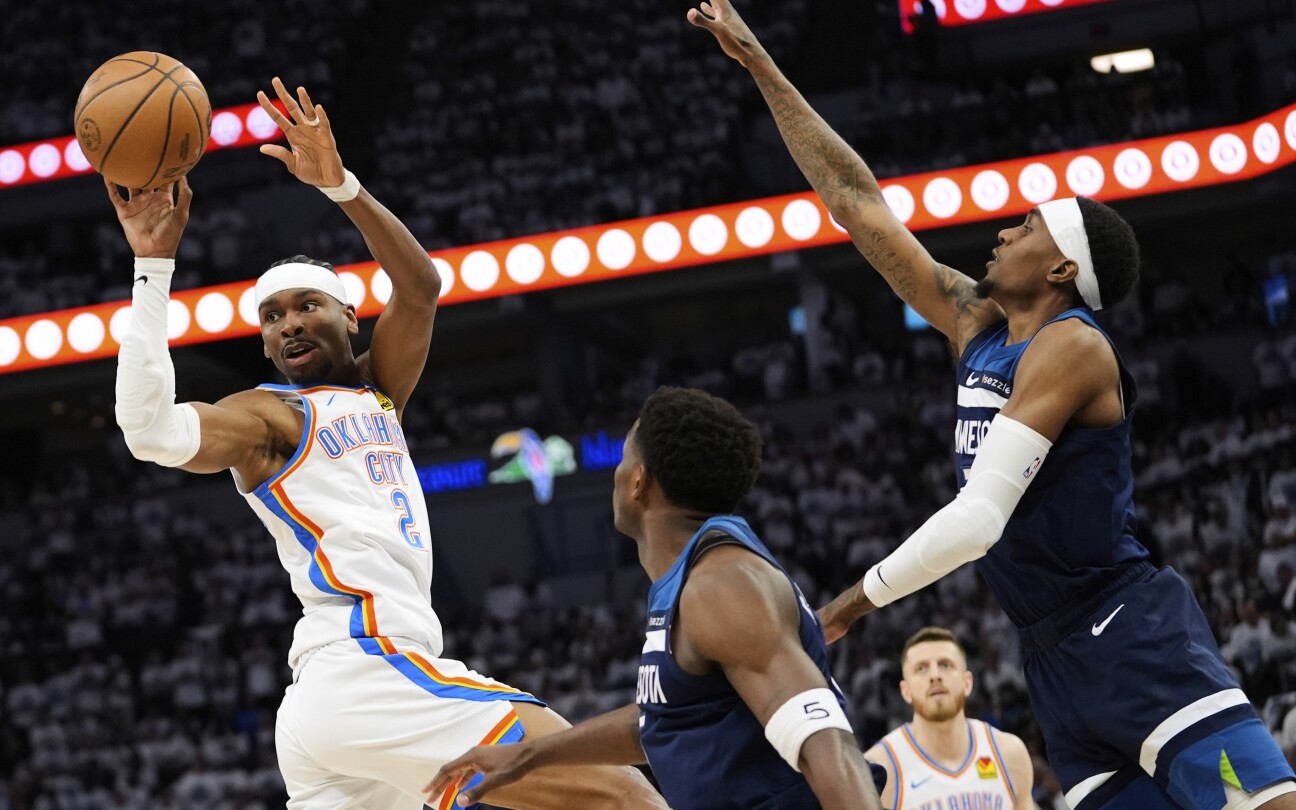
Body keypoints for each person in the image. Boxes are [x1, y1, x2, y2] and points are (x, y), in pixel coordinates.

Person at [687, 2, 1296, 808]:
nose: (1006, 232)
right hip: (1050, 656)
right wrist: (762, 66)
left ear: (1062, 271)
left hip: (1128, 632)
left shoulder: (1074, 346)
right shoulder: (976, 322)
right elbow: (857, 201)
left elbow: (979, 518)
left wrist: (844, 609)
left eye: (1030, 227)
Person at [105, 77, 665, 810]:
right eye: (272, 318)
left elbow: (421, 286)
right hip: (365, 669)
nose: (289, 323)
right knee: (624, 799)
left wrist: (341, 186)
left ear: (349, 318)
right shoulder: (271, 418)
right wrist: (152, 269)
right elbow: (149, 431)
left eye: (306, 306)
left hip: (342, 704)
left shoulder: (378, 392)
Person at [425, 387, 882, 809]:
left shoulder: (721, 585)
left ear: (639, 481)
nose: (617, 473)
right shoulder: (694, 578)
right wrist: (528, 756)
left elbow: (826, 740)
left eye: (624, 458)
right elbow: (666, 720)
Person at [867, 627, 1036, 810]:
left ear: (967, 683)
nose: (935, 676)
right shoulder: (880, 766)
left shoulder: (1008, 753)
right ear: (905, 691)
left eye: (945, 665)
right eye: (921, 668)